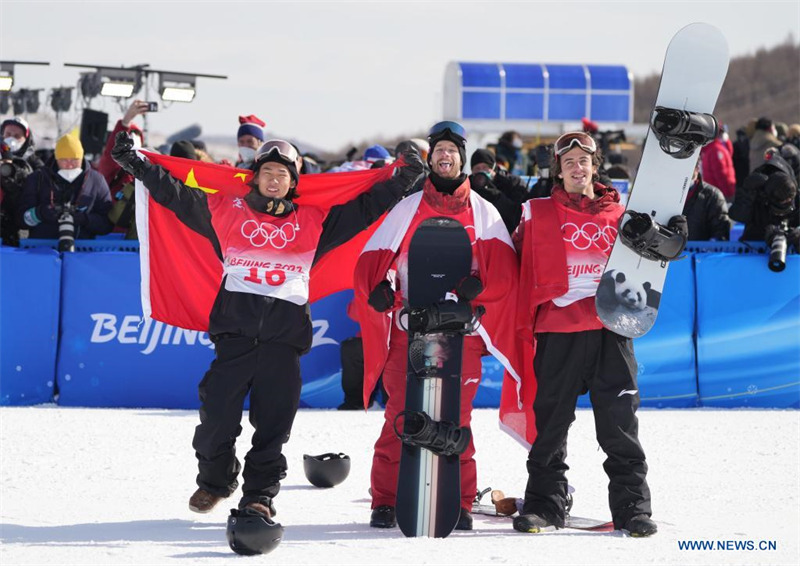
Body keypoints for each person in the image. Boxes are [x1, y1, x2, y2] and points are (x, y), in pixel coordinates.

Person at [110, 131, 424, 520]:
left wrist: (405, 177)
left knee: (273, 429)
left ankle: (259, 495)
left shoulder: (314, 221)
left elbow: (366, 208)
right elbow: (175, 195)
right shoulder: (225, 212)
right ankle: (216, 482)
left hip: (283, 344)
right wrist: (136, 165)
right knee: (215, 422)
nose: (274, 180)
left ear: (293, 183)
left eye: (282, 174)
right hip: (235, 340)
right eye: (268, 172)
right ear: (255, 177)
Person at [512, 131, 687, 538]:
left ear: (595, 166)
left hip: (612, 329)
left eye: (583, 161)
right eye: (569, 162)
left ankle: (633, 510)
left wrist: (669, 240)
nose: (577, 168)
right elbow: (511, 260)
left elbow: (653, 261)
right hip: (558, 330)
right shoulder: (535, 212)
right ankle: (544, 506)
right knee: (550, 426)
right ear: (558, 171)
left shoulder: (623, 214)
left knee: (620, 424)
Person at [355, 121, 521, 532]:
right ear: (431, 159)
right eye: (439, 150)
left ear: (462, 158)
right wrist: (381, 290)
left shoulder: (484, 211)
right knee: (400, 411)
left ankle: (459, 501)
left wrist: (479, 288)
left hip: (461, 334)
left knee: (456, 416)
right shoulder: (407, 208)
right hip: (409, 328)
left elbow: (505, 273)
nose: (445, 156)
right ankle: (386, 499)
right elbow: (373, 261)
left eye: (452, 150)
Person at [19, 133, 113, 240]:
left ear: (82, 158)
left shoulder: (96, 181)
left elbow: (107, 224)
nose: (70, 165)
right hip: (41, 247)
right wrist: (40, 213)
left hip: (82, 248)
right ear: (56, 159)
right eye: (64, 160)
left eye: (75, 160)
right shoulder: (38, 178)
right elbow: (21, 220)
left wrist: (85, 219)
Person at [96, 99, 150, 239]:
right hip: (111, 238)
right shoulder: (111, 171)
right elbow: (110, 154)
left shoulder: (146, 173)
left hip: (136, 240)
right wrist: (125, 122)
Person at [730, 147, 800, 244]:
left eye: (789, 199)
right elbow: (738, 216)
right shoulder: (756, 193)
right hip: (755, 245)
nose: (787, 201)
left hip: (791, 246)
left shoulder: (795, 193)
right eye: (783, 201)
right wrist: (746, 193)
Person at [1, 117, 43, 245]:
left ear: (26, 139)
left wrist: (8, 167)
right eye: (8, 134)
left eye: (17, 136)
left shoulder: (35, 164)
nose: (11, 139)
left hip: (19, 229)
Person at [468, 148, 529, 232]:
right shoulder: (468, 185)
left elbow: (519, 214)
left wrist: (497, 197)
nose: (481, 171)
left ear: (493, 168)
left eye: (485, 167)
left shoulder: (512, 182)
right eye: (477, 168)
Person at [682, 165, 732, 241]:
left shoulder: (712, 195)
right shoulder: (667, 192)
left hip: (700, 247)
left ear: (697, 168)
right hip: (670, 246)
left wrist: (712, 244)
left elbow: (720, 231)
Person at [700, 125, 736, 201]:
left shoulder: (711, 148)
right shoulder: (716, 150)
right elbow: (721, 174)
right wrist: (729, 193)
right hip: (723, 193)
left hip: (716, 193)